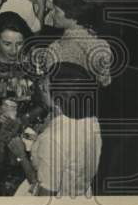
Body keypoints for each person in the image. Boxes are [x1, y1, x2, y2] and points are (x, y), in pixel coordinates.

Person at [0, 12, 49, 196]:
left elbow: (45, 103)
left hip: (23, 136)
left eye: (19, 43)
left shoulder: (34, 63)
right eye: (7, 44)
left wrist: (24, 119)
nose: (14, 50)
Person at [13, 63, 102, 196]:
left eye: (43, 88)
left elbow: (45, 197)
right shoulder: (92, 121)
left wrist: (21, 156)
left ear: (57, 103)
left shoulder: (52, 139)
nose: (38, 86)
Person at [44, 0, 113, 88]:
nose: (51, 14)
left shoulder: (55, 48)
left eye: (56, 11)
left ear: (72, 14)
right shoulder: (101, 45)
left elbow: (48, 85)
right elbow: (105, 83)